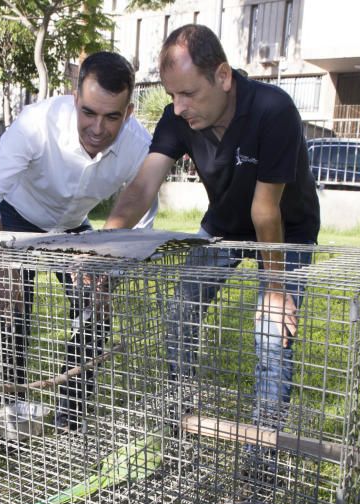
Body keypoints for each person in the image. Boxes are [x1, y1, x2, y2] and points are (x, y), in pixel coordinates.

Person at [104, 25, 320, 444]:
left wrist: (275, 289)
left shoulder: (273, 109)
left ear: (222, 77)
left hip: (286, 229)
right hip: (223, 223)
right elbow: (143, 187)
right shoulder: (177, 117)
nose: (179, 108)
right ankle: (179, 421)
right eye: (171, 95)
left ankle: (264, 452)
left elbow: (265, 209)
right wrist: (105, 244)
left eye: (188, 94)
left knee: (272, 333)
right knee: (180, 312)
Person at [0, 51, 158, 432]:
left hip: (73, 226)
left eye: (112, 116)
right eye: (89, 112)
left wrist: (107, 270)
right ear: (75, 98)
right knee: (14, 300)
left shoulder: (140, 146)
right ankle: (11, 407)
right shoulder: (38, 122)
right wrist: (1, 263)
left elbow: (144, 214)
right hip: (17, 215)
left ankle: (72, 411)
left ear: (130, 111)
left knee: (95, 306)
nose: (98, 128)